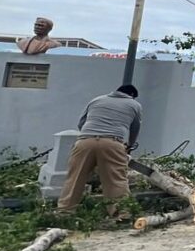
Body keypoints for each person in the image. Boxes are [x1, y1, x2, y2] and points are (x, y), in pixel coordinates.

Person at [57, 85, 142, 220]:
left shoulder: (96, 100)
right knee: (116, 179)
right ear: (132, 94)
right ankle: (121, 214)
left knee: (75, 178)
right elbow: (135, 129)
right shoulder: (134, 104)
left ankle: (64, 212)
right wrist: (129, 146)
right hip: (112, 142)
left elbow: (81, 123)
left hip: (85, 141)